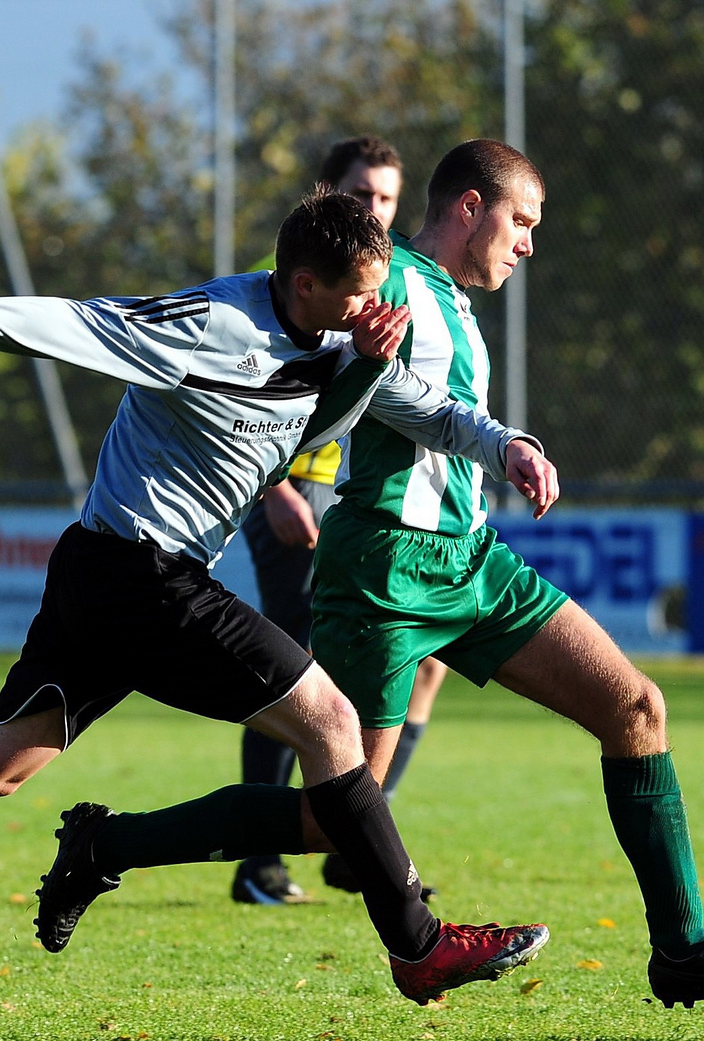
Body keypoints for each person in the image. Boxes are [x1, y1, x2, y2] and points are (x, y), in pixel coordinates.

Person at [0, 188, 561, 1006]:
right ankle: (417, 944)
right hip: (143, 577)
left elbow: (433, 412)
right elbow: (78, 323)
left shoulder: (347, 341)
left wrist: (508, 444)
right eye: (363, 297)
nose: (381, 313)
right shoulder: (213, 322)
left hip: (106, 571)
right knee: (333, 725)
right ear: (305, 285)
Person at [308, 140, 704, 1011]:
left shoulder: (454, 305)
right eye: (523, 220)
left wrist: (508, 446)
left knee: (636, 706)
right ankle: (109, 844)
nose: (529, 243)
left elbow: (443, 412)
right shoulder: (385, 283)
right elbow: (302, 374)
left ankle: (682, 951)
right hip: (387, 566)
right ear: (470, 206)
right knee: (331, 818)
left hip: (470, 562)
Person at [233, 135, 449, 905]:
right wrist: (274, 491)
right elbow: (245, 400)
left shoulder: (388, 288)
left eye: (386, 199)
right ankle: (258, 862)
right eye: (361, 195)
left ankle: (353, 839)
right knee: (290, 670)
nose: (374, 210)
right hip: (286, 490)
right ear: (327, 193)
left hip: (351, 500)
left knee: (424, 663)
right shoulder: (300, 282)